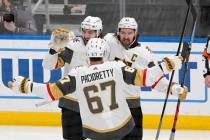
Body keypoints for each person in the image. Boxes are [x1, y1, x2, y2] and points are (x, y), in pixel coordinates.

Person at [7, 38, 187, 140]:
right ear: (104, 52)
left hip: (95, 131)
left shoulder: (78, 74)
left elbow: (50, 92)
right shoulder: (117, 67)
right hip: (123, 126)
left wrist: (25, 85)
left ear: (88, 56)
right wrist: (168, 64)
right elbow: (146, 78)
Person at [104, 17, 176, 140]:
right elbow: (89, 44)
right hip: (112, 106)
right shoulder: (108, 42)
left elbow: (155, 77)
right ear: (118, 32)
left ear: (135, 33)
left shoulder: (144, 52)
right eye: (123, 33)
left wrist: (172, 88)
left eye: (130, 33)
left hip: (133, 106)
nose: (126, 36)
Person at [42, 16, 103, 140]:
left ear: (99, 32)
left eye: (90, 32)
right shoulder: (72, 46)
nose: (86, 35)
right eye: (84, 31)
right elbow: (48, 65)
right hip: (71, 103)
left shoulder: (106, 48)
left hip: (95, 104)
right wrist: (53, 49)